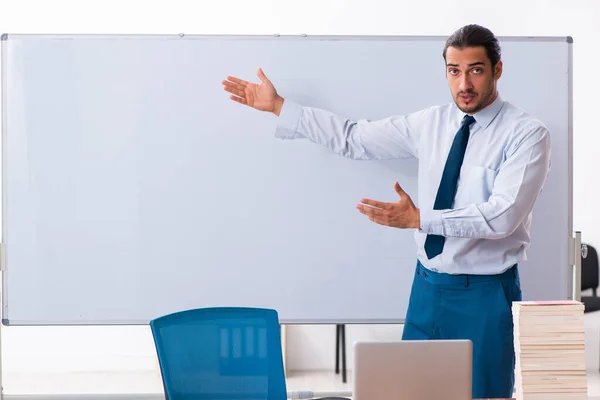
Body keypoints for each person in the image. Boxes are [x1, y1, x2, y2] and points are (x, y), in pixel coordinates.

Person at [222, 24, 551, 399]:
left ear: (497, 69)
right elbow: (353, 137)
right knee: (408, 392)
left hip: (485, 294)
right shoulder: (432, 123)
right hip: (427, 288)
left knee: (483, 396)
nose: (464, 84)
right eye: (454, 71)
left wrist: (419, 219)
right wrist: (280, 107)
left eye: (475, 70)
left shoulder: (527, 134)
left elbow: (503, 216)